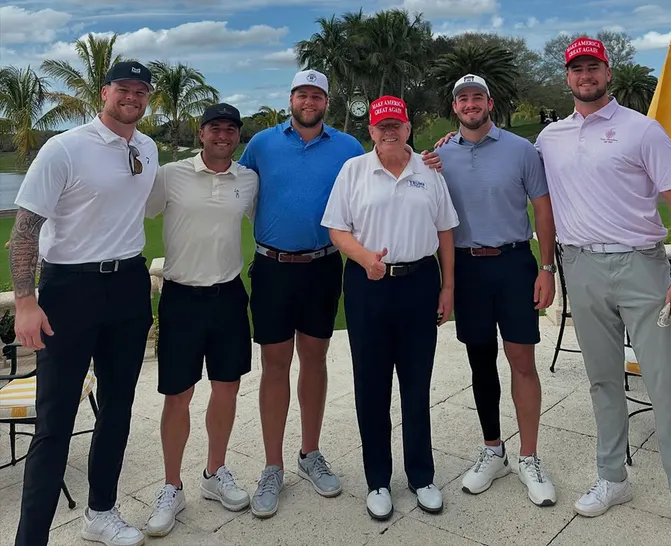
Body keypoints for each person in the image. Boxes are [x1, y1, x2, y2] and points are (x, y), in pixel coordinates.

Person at [535, 37, 671, 546]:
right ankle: (612, 476)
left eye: (592, 67)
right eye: (576, 69)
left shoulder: (642, 129)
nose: (585, 76)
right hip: (579, 264)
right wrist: (436, 158)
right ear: (567, 76)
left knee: (665, 385)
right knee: (601, 380)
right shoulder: (551, 137)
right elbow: (526, 186)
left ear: (607, 71)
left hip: (641, 267)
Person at [238, 69, 442, 519]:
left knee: (314, 359)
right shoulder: (261, 144)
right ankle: (273, 465)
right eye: (302, 94)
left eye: (317, 95)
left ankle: (310, 454)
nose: (309, 101)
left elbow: (400, 173)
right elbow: (240, 190)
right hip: (273, 266)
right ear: (290, 98)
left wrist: (429, 161)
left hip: (324, 266)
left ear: (326, 102)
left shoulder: (349, 149)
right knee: (275, 366)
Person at [10, 61, 158, 546]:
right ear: (104, 92)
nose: (132, 97)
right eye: (124, 88)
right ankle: (31, 537)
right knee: (55, 421)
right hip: (70, 290)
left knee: (117, 408)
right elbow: (26, 228)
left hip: (130, 284)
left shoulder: (147, 147)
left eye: (141, 91)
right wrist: (26, 301)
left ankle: (100, 513)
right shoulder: (65, 148)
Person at [321, 95, 459, 520]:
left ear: (408, 128)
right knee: (372, 386)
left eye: (396, 124)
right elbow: (336, 229)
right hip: (368, 285)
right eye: (382, 126)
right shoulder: (354, 170)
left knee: (417, 384)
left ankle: (421, 475)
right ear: (371, 132)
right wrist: (366, 259)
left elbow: (445, 231)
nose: (389, 132)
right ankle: (378, 479)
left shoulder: (428, 171)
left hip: (419, 283)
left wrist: (448, 286)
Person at [435, 74, 558, 507]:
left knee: (521, 359)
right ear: (455, 108)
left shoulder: (521, 150)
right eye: (462, 98)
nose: (470, 104)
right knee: (480, 361)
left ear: (489, 102)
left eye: (477, 97)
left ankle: (529, 456)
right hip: (467, 269)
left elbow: (543, 209)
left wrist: (548, 268)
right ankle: (493, 450)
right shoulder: (438, 156)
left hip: (513, 263)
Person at [143, 103, 259, 536]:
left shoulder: (247, 180)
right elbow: (137, 206)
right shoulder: (171, 175)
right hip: (181, 297)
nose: (223, 135)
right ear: (201, 131)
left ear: (237, 136)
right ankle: (172, 486)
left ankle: (215, 472)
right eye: (215, 128)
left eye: (231, 129)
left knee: (227, 388)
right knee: (178, 395)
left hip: (228, 296)